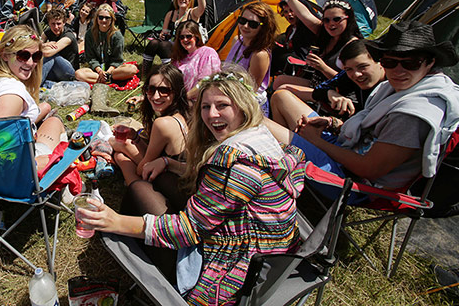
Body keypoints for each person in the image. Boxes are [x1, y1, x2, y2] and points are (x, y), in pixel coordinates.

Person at [80, 67, 306, 304]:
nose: (211, 115)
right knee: (154, 183)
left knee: (138, 191)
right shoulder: (262, 138)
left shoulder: (233, 167)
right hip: (273, 257)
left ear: (243, 105)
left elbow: (187, 230)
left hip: (232, 274)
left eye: (222, 105)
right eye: (206, 106)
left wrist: (116, 221)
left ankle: (125, 237)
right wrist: (167, 161)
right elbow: (211, 188)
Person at [266, 20, 459, 195]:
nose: (398, 70)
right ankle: (282, 167)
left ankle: (277, 174)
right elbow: (367, 129)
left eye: (410, 63)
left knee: (256, 122)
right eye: (390, 62)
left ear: (430, 62)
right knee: (282, 97)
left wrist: (316, 142)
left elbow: (368, 169)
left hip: (352, 182)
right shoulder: (395, 88)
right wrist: (331, 123)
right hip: (346, 147)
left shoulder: (413, 113)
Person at [0, 25, 63, 170]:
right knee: (56, 124)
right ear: (5, 55)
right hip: (15, 172)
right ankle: (65, 187)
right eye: (23, 56)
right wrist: (37, 163)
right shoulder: (12, 94)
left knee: (51, 120)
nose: (31, 63)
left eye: (36, 56)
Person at [272, 0, 361, 100]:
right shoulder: (325, 34)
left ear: (348, 19)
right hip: (318, 83)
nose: (331, 24)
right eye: (326, 20)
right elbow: (305, 15)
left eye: (337, 19)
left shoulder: (353, 46)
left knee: (281, 93)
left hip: (337, 92)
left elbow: (350, 82)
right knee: (279, 81)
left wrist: (323, 67)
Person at [270, 40, 386, 130]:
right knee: (281, 93)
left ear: (381, 62)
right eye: (349, 69)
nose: (357, 74)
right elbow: (323, 87)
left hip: (352, 148)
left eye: (363, 67)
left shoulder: (391, 89)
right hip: (342, 132)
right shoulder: (348, 75)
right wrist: (330, 93)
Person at [111, 64, 190, 186]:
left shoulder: (163, 124)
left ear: (176, 92)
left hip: (170, 186)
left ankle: (134, 189)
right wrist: (135, 137)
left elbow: (141, 169)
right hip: (179, 176)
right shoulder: (184, 112)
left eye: (164, 90)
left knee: (121, 155)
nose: (155, 96)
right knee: (122, 150)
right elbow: (152, 154)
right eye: (151, 89)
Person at [142, 0, 206, 78]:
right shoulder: (171, 14)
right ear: (176, 0)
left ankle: (168, 74)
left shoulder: (192, 13)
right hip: (171, 42)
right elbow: (165, 31)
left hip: (185, 45)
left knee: (164, 45)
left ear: (190, 0)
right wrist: (163, 34)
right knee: (153, 43)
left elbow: (202, 7)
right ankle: (145, 74)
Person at [223, 0, 277, 113]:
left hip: (250, 105)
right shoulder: (237, 41)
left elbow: (250, 89)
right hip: (229, 95)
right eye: (242, 21)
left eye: (253, 24)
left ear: (263, 27)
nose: (245, 26)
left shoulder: (260, 55)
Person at [75, 4, 138, 84]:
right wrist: (99, 70)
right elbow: (90, 58)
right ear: (96, 18)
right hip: (96, 70)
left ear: (112, 19)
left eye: (107, 18)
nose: (103, 20)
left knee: (132, 69)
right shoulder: (89, 34)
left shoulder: (117, 35)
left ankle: (106, 78)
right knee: (78, 74)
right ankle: (108, 79)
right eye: (101, 17)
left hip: (113, 70)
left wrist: (108, 72)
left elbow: (117, 59)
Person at [170, 20, 220, 97]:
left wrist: (186, 97)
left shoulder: (207, 53)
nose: (185, 39)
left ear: (196, 37)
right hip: (179, 100)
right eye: (182, 37)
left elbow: (206, 82)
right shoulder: (178, 57)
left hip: (199, 100)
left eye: (189, 36)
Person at [271, 0, 316, 75]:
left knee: (283, 56)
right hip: (289, 61)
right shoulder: (290, 29)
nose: (289, 14)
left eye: (292, 11)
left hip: (302, 61)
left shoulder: (306, 28)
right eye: (286, 12)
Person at [41, 9, 78, 84]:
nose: (56, 27)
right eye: (53, 24)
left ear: (64, 23)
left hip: (68, 72)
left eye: (58, 24)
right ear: (49, 23)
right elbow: (37, 43)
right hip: (54, 69)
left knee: (51, 56)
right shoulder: (49, 31)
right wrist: (44, 45)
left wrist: (41, 47)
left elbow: (48, 53)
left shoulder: (68, 36)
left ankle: (35, 84)